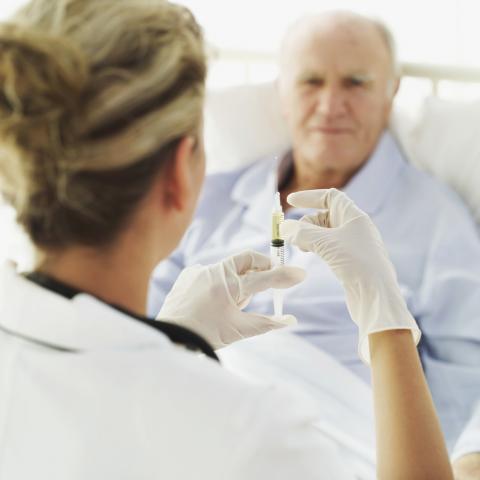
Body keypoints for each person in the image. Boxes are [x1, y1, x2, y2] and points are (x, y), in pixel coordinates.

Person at [0, 1, 455, 479]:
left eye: (355, 82)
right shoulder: (253, 431)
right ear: (180, 172)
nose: (330, 104)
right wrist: (388, 326)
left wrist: (175, 338)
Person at [148, 10, 480, 474]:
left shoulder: (436, 219)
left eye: (356, 83)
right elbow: (140, 328)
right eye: (310, 82)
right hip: (198, 412)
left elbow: (466, 377)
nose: (330, 105)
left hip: (338, 437)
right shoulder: (209, 197)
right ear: (281, 92)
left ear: (392, 93)